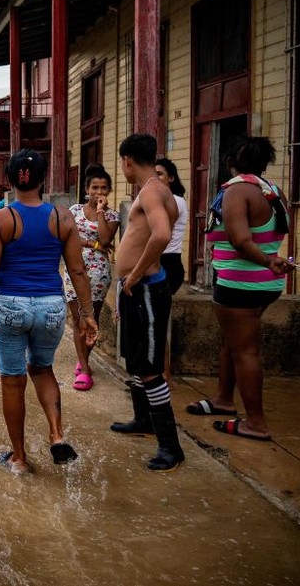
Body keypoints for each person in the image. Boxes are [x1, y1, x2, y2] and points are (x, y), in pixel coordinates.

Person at [0, 149, 98, 474]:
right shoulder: (63, 217)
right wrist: (87, 314)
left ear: (9, 180)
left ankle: (19, 459)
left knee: (12, 380)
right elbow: (78, 271)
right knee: (43, 370)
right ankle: (56, 434)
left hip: (11, 305)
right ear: (44, 179)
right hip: (51, 306)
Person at [186, 136, 292, 441]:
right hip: (265, 284)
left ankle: (255, 422)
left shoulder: (237, 191)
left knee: (245, 350)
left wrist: (267, 260)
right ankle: (223, 398)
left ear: (231, 160)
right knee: (231, 342)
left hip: (241, 283)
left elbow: (240, 239)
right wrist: (270, 262)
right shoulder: (272, 190)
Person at [110, 133, 184, 472]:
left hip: (147, 291)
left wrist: (137, 273)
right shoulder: (153, 190)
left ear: (127, 161)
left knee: (152, 368)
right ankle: (144, 419)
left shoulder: (153, 191)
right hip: (133, 291)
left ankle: (171, 447)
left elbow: (161, 235)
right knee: (138, 361)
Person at [63, 164, 120, 391]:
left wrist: (100, 212)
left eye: (103, 188)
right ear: (86, 189)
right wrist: (90, 243)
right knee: (77, 319)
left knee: (91, 319)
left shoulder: (112, 215)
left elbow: (105, 240)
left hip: (98, 273)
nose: (98, 192)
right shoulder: (73, 211)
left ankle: (83, 362)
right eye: (94, 187)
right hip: (73, 267)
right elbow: (67, 238)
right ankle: (85, 368)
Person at [155, 158, 188, 295]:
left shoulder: (175, 201)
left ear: (171, 178)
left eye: (159, 174)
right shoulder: (159, 200)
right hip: (160, 262)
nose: (155, 178)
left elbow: (160, 234)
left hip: (167, 263)